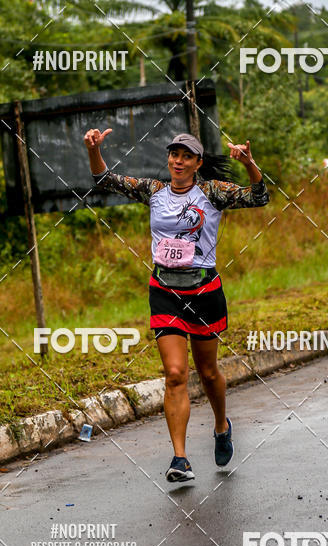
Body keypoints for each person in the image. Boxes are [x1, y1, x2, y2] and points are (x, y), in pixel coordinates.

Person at [83, 128, 270, 483]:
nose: (178, 161)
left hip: (205, 291)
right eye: (174, 155)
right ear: (169, 159)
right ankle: (180, 459)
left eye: (186, 156)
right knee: (174, 374)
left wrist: (249, 163)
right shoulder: (154, 192)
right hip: (165, 291)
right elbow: (103, 179)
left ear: (198, 163)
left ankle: (220, 425)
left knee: (209, 372)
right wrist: (94, 150)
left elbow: (260, 197)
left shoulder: (212, 193)